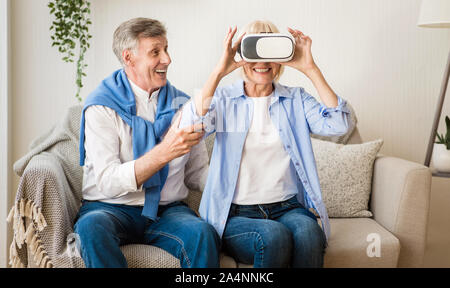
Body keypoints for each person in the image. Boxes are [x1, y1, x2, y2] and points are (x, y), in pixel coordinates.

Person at [180, 20, 353, 267]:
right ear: (240, 56)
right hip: (237, 214)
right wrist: (219, 71)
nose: (262, 62)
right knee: (273, 236)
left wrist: (310, 68)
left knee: (310, 233)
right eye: (253, 51)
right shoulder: (225, 99)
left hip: (289, 208)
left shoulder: (296, 99)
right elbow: (192, 124)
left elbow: (340, 125)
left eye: (269, 51)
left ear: (281, 57)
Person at [74, 17, 220, 268]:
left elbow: (196, 174)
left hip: (167, 211)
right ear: (128, 58)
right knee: (90, 228)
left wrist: (238, 181)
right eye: (155, 51)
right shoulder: (101, 107)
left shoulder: (184, 107)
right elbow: (107, 181)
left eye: (166, 49)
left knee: (202, 233)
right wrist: (164, 152)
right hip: (111, 208)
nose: (167, 59)